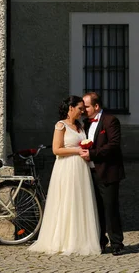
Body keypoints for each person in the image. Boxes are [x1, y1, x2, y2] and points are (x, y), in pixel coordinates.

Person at [28, 95, 101, 256]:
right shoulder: (60, 126)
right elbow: (56, 149)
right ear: (70, 108)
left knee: (81, 201)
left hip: (81, 169)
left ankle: (81, 239)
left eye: (83, 109)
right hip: (67, 167)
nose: (82, 112)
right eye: (80, 108)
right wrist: (77, 150)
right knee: (67, 200)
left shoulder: (80, 126)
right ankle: (64, 239)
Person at [80, 92, 126, 256]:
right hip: (89, 172)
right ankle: (100, 241)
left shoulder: (110, 120)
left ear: (96, 106)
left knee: (110, 208)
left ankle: (116, 243)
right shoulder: (85, 123)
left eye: (86, 106)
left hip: (107, 171)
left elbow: (113, 145)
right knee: (95, 209)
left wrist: (92, 154)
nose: (83, 110)